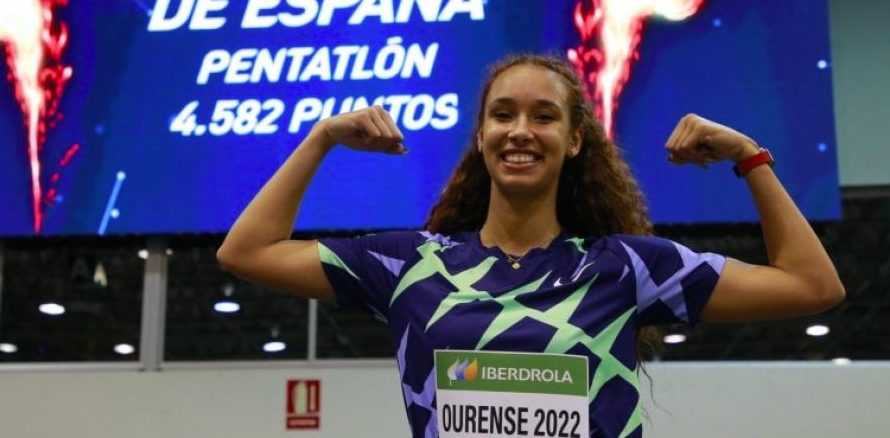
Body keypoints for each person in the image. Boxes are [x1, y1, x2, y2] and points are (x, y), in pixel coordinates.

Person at [218, 53, 845, 438]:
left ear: (573, 140)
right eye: (503, 114)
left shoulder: (626, 267)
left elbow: (812, 285)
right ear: (483, 133)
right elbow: (246, 251)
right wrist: (322, 137)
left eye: (543, 116)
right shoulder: (409, 266)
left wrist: (749, 157)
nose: (521, 131)